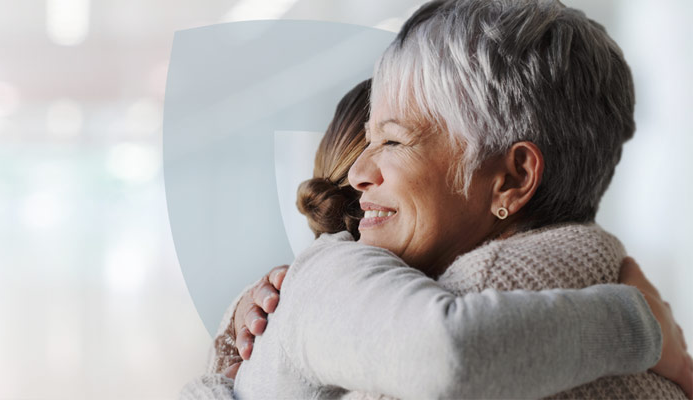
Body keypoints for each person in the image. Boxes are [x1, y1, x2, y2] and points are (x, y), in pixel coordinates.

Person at [223, 0, 692, 398]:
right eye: (368, 141)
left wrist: (639, 323)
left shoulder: (335, 276)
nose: (358, 174)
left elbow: (446, 351)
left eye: (393, 142)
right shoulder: (323, 279)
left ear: (513, 177)